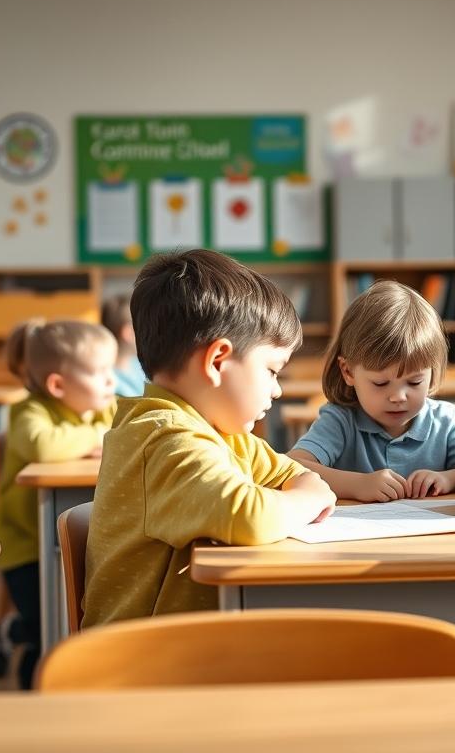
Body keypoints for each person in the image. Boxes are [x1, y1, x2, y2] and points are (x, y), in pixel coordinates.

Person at [82, 249, 336, 627]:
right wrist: (309, 499)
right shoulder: (165, 440)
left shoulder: (219, 433)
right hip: (140, 669)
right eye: (271, 370)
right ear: (217, 361)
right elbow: (249, 516)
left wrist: (305, 487)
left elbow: (294, 472)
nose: (277, 390)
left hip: (186, 650)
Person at [0, 319, 118, 689]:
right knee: (41, 630)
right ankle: (32, 683)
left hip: (81, 537)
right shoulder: (28, 411)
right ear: (57, 385)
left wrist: (98, 433)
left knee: (71, 616)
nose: (112, 381)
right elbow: (43, 445)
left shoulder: (102, 409)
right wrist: (97, 436)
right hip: (26, 546)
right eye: (101, 373)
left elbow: (126, 433)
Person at [290, 281, 455, 501]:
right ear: (348, 372)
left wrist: (449, 478)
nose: (398, 397)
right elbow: (293, 466)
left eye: (414, 382)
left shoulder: (446, 421)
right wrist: (357, 485)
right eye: (380, 383)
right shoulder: (340, 421)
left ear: (433, 373)